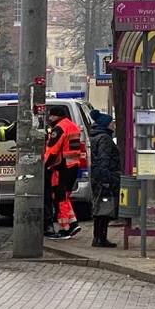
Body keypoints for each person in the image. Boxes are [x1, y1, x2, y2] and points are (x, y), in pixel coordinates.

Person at [44, 105, 82, 239]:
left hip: (60, 167)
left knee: (59, 198)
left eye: (51, 116)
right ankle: (73, 224)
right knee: (64, 197)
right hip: (73, 166)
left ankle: (64, 229)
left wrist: (45, 165)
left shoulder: (59, 128)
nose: (49, 118)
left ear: (56, 116)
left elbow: (52, 150)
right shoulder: (73, 126)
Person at [89, 110, 121, 248]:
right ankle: (101, 238)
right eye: (111, 123)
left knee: (100, 207)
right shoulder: (105, 139)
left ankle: (98, 237)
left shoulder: (96, 137)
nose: (113, 125)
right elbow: (104, 160)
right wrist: (106, 179)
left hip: (98, 177)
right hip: (105, 177)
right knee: (105, 208)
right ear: (105, 124)